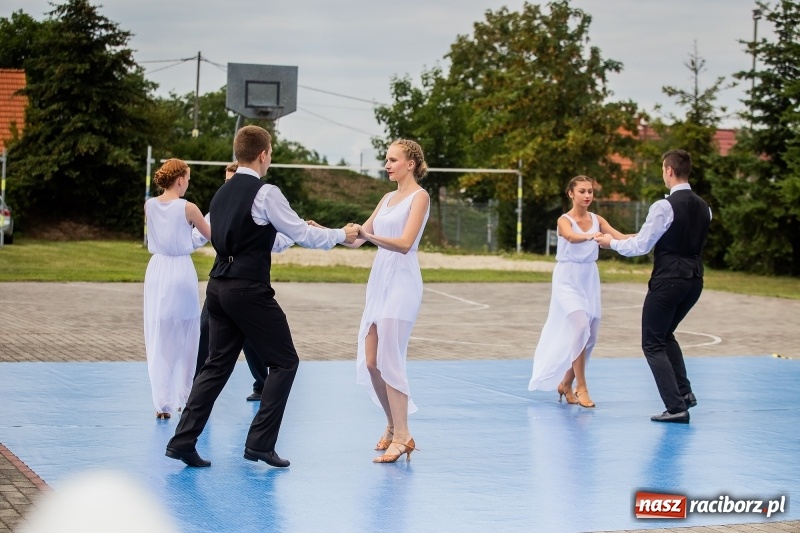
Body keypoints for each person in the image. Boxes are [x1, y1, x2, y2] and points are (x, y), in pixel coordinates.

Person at [165, 125, 359, 468]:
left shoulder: (220, 195)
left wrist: (310, 234)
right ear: (263, 154)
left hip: (218, 288)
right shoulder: (266, 193)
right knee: (285, 362)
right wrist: (340, 234)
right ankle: (259, 444)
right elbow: (299, 233)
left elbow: (264, 238)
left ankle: (182, 441)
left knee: (215, 367)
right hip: (247, 289)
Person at [596, 149, 710, 423]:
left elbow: (641, 246)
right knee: (666, 334)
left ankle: (675, 407)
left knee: (652, 343)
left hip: (668, 280)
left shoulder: (664, 206)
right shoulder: (705, 207)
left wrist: (609, 243)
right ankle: (685, 395)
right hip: (694, 281)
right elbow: (665, 236)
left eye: (662, 170)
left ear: (669, 170)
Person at [344, 139, 430, 463]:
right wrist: (330, 233)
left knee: (391, 360)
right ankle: (393, 426)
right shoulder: (386, 198)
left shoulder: (420, 197)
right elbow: (358, 239)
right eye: (386, 159)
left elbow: (406, 243)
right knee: (371, 361)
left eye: (393, 159)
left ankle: (404, 435)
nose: (387, 164)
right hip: (380, 281)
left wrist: (367, 237)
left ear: (411, 163)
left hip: (403, 282)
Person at [192, 162, 293, 402]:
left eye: (233, 180)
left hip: (246, 280)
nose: (230, 185)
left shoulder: (259, 200)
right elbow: (197, 236)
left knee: (250, 338)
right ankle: (196, 387)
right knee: (205, 329)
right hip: (222, 278)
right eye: (227, 181)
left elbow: (276, 239)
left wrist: (295, 234)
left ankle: (262, 383)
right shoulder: (219, 206)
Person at [528, 175, 628, 408]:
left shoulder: (598, 219)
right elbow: (571, 238)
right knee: (581, 327)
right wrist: (591, 236)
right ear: (570, 193)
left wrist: (650, 236)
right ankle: (582, 387)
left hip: (589, 278)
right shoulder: (564, 220)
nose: (587, 195)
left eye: (590, 191)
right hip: (567, 278)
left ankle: (565, 382)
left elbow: (621, 238)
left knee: (590, 335)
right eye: (582, 191)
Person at [143, 159, 211, 420]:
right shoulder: (189, 208)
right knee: (187, 335)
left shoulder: (149, 205)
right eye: (188, 179)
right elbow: (208, 235)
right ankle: (185, 397)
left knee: (159, 334)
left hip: (157, 270)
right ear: (180, 179)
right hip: (180, 270)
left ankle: (161, 402)